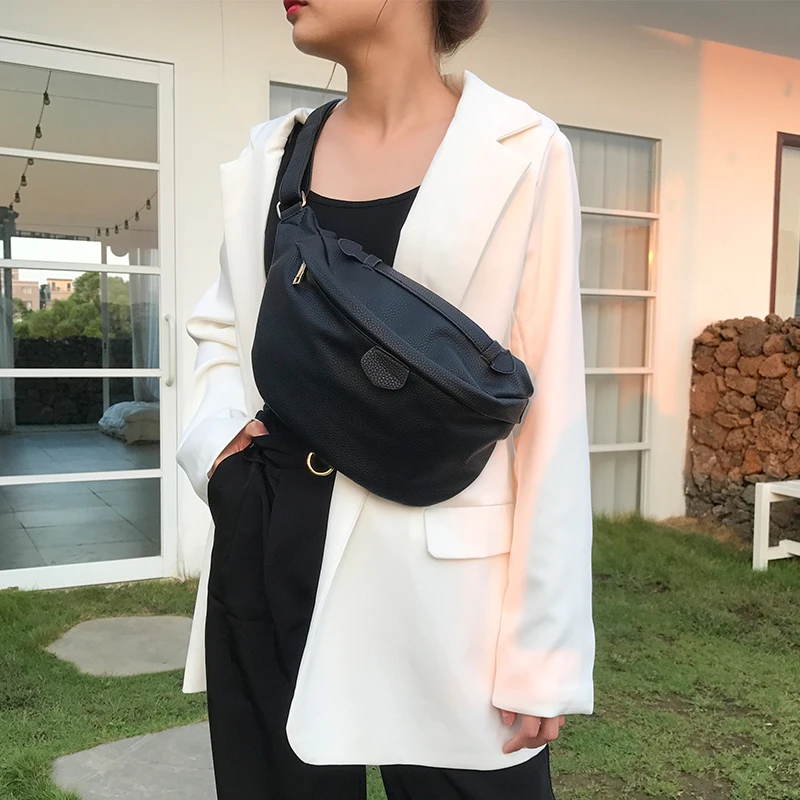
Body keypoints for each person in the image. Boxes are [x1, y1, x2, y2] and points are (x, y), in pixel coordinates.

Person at [176, 1, 595, 798]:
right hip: (270, 540)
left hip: (452, 587)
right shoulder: (272, 156)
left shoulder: (523, 148)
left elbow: (551, 402)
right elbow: (222, 329)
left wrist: (545, 646)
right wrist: (220, 454)